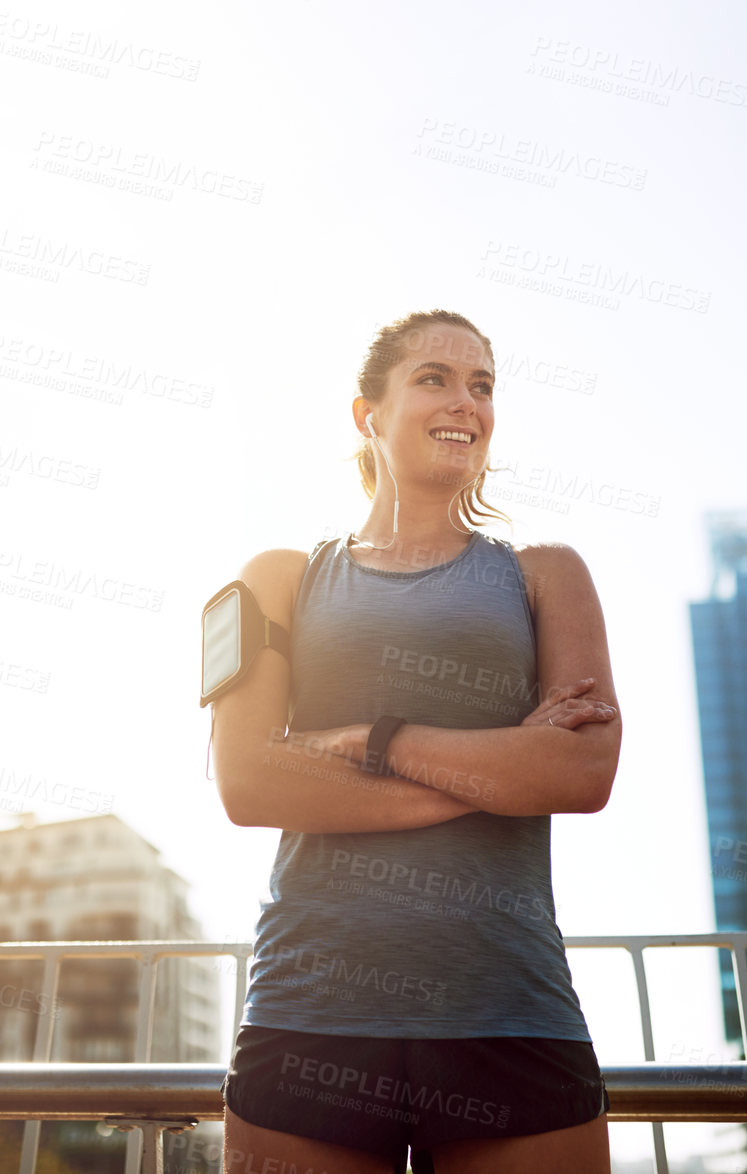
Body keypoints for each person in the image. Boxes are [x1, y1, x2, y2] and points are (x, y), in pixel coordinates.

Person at [208, 309, 622, 1174]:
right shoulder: (273, 579)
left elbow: (580, 768)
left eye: (483, 385)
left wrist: (366, 739)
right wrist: (502, 765)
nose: (465, 401)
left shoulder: (548, 574)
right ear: (368, 414)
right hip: (308, 1013)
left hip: (510, 1009)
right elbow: (247, 781)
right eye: (434, 377)